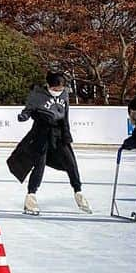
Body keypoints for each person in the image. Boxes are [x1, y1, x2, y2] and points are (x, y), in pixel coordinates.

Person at [7, 70, 91, 215]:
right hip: (41, 133)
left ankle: (79, 193)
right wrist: (24, 116)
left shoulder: (64, 94)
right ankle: (30, 198)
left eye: (60, 89)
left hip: (59, 134)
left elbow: (66, 115)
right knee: (39, 166)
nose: (57, 91)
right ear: (48, 85)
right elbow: (28, 109)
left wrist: (67, 134)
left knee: (71, 163)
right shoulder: (37, 94)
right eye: (54, 89)